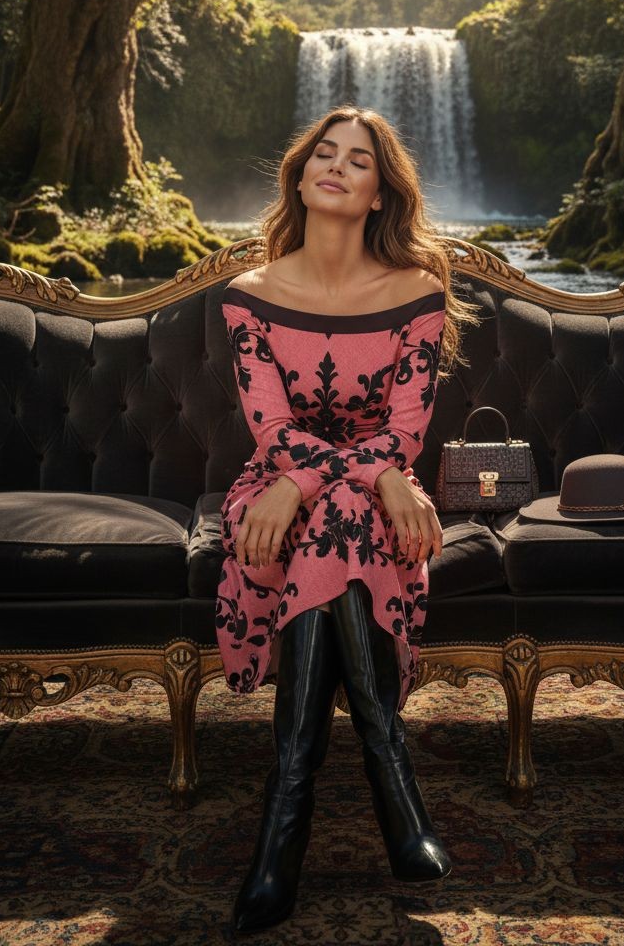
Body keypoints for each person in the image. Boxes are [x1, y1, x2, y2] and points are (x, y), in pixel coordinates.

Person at [217, 105, 481, 935]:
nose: (335, 165)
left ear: (378, 193)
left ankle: (281, 832)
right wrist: (305, 485)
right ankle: (392, 785)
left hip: (359, 502)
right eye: (322, 153)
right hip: (275, 494)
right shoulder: (248, 296)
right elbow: (272, 431)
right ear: (299, 176)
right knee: (335, 515)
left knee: (341, 518)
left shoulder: (417, 292)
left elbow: (405, 429)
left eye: (357, 160)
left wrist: (364, 479)